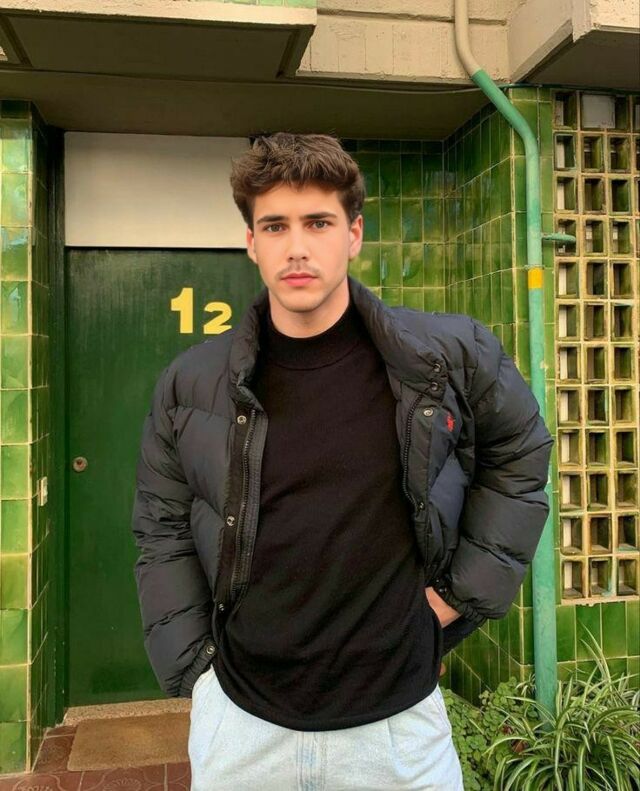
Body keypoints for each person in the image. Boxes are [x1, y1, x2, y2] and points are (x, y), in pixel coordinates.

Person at [131, 132, 553, 790]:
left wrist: (457, 598)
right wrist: (195, 666)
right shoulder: (192, 384)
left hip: (398, 730)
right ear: (251, 242)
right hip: (243, 727)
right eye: (275, 225)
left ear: (354, 234)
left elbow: (520, 455)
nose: (297, 246)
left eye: (319, 222)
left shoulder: (444, 358)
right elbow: (161, 526)